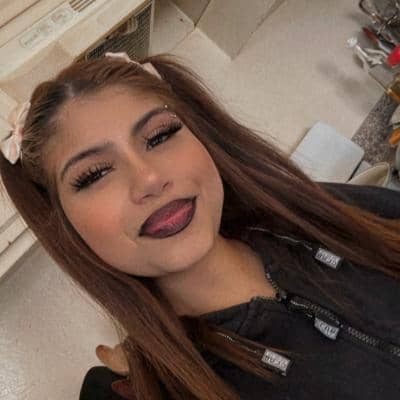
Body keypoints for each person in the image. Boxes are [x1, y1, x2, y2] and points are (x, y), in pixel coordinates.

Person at [0, 51, 399, 400]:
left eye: (160, 136)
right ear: (63, 223)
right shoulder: (149, 390)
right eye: (95, 174)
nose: (149, 178)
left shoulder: (327, 214)